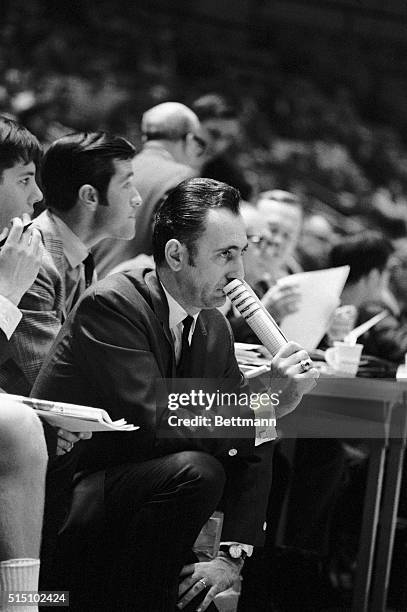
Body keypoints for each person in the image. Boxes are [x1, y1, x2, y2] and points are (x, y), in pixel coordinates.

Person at [32, 178, 317, 611]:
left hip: (140, 496)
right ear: (176, 255)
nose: (239, 271)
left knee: (215, 472)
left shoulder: (213, 326)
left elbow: (257, 440)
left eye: (242, 251)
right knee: (198, 471)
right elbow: (158, 418)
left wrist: (232, 555)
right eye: (225, 254)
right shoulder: (113, 304)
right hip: (68, 499)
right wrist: (265, 403)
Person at [0, 129, 140, 396]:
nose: (138, 197)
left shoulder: (79, 256)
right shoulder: (31, 260)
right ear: (89, 196)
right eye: (126, 184)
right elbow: (56, 378)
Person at [0, 117, 47, 611]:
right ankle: (23, 604)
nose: (36, 198)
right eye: (25, 179)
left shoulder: (214, 323)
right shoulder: (28, 256)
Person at [94, 101, 204, 277]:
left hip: (89, 284)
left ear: (145, 138)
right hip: (128, 291)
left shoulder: (116, 170)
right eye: (200, 144)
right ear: (190, 139)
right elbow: (171, 252)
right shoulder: (182, 178)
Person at [329, 231, 406, 363]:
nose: (389, 279)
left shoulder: (332, 304)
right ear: (374, 275)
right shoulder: (370, 311)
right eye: (388, 270)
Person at [192, 94, 252, 200]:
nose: (218, 145)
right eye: (213, 133)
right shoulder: (160, 161)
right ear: (192, 124)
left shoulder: (232, 183)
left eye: (228, 138)